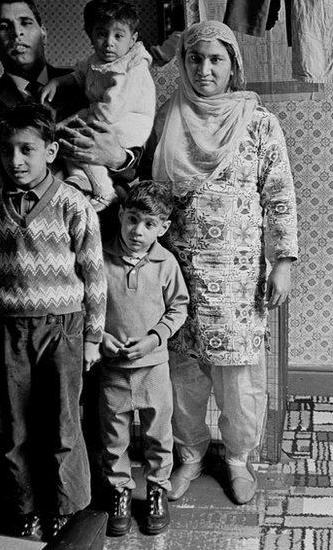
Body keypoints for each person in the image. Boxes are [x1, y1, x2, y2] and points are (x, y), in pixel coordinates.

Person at [151, 21, 298, 505]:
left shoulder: (258, 122)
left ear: (233, 64)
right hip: (177, 271)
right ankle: (189, 456)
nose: (205, 68)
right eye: (196, 59)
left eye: (216, 59)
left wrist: (283, 261)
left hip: (237, 278)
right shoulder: (164, 118)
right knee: (184, 376)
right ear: (185, 64)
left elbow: (278, 196)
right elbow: (151, 196)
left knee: (239, 380)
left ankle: (239, 460)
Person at [0, 103, 105, 541]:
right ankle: (25, 505)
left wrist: (92, 337)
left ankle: (68, 508)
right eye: (7, 150)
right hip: (10, 329)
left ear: (50, 151)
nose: (16, 160)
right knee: (15, 426)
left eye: (27, 149)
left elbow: (93, 273)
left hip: (63, 327)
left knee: (64, 422)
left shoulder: (73, 203)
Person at [0, 0, 145, 229]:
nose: (16, 33)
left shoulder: (91, 82)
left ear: (43, 34)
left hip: (100, 231)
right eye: (3, 26)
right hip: (25, 237)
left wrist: (118, 158)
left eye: (25, 23)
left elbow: (136, 158)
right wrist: (34, 144)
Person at [98, 181, 188, 536]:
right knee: (113, 436)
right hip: (113, 369)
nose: (138, 231)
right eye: (132, 219)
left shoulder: (166, 264)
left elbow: (178, 308)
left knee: (158, 434)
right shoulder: (100, 258)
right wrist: (99, 336)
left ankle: (157, 490)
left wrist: (154, 340)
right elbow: (90, 306)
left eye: (149, 224)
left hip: (153, 368)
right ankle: (120, 490)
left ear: (163, 228)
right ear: (121, 215)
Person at [40, 0, 155, 213]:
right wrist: (58, 81)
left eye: (118, 36)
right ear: (90, 36)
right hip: (105, 115)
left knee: (83, 141)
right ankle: (80, 178)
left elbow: (114, 107)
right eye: (102, 34)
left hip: (128, 120)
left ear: (133, 39)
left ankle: (104, 191)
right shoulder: (97, 61)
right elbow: (79, 76)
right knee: (71, 145)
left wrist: (84, 117)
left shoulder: (132, 67)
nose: (109, 42)